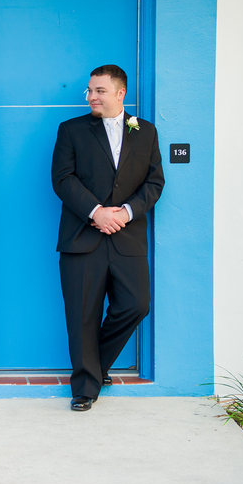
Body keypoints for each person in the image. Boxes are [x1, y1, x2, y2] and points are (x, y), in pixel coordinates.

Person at [51, 64, 164, 412]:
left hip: (127, 238)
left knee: (136, 304)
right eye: (89, 91)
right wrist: (96, 212)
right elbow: (62, 179)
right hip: (81, 237)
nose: (91, 97)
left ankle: (94, 367)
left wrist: (126, 212)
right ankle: (85, 388)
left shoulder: (145, 132)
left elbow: (154, 182)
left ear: (120, 93)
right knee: (82, 314)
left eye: (99, 90)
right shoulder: (71, 130)